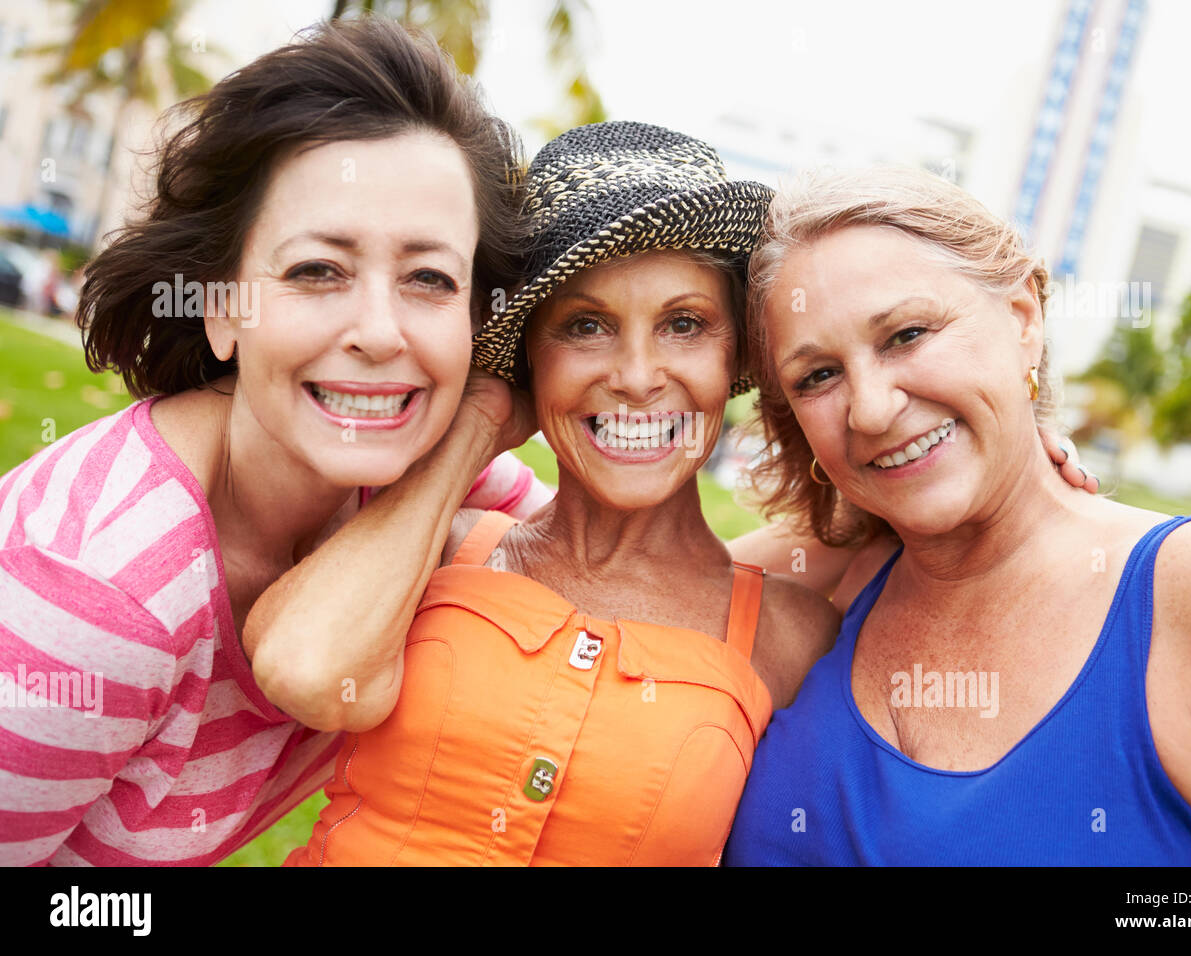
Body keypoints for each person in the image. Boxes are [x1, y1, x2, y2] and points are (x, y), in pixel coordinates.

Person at [0, 18, 548, 867]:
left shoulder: (415, 467)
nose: (377, 331)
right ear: (220, 307)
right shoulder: (100, 600)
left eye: (430, 279)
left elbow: (617, 573)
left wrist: (474, 427)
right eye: (317, 271)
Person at [278, 121, 846, 866]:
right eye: (585, 326)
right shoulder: (436, 551)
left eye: (684, 324)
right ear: (527, 360)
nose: (638, 376)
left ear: (735, 349)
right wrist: (477, 425)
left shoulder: (791, 636)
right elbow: (304, 669)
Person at [723, 166, 1191, 865]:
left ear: (1023, 318)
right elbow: (598, 585)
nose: (871, 409)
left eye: (907, 334)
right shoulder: (822, 584)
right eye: (818, 376)